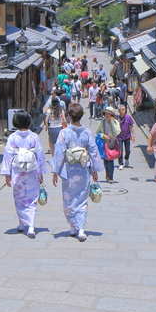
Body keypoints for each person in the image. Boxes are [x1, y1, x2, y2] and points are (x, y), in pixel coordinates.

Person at [52, 103, 104, 242]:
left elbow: (59, 152)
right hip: (83, 170)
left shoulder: (64, 133)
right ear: (81, 116)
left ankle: (74, 226)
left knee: (69, 200)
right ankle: (79, 228)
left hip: (69, 172)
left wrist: (56, 171)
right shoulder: (86, 132)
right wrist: (94, 169)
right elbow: (93, 151)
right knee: (81, 199)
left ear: (68, 116)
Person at [0, 112, 46, 238]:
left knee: (19, 198)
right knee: (31, 198)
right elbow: (40, 155)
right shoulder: (34, 137)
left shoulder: (13, 137)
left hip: (17, 171)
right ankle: (27, 225)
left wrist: (7, 174)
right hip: (32, 171)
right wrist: (41, 172)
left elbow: (7, 156)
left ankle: (25, 223)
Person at [97, 106, 121, 182]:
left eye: (109, 114)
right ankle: (107, 175)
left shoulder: (115, 122)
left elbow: (117, 132)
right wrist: (103, 135)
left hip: (112, 142)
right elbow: (98, 132)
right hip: (104, 142)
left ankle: (110, 177)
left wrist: (112, 122)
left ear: (111, 115)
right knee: (105, 160)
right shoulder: (102, 122)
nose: (107, 115)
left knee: (110, 159)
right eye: (106, 113)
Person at [117, 104, 135, 169]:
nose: (122, 111)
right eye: (121, 110)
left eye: (123, 109)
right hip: (119, 137)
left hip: (127, 136)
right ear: (119, 111)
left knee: (128, 150)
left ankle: (126, 159)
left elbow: (131, 126)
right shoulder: (117, 118)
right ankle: (121, 163)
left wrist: (133, 135)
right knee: (120, 150)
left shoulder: (128, 117)